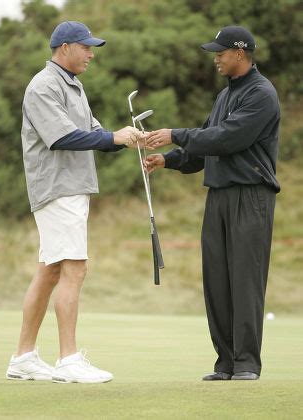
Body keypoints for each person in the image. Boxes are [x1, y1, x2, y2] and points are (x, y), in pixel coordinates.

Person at [6, 21, 143, 384]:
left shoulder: (72, 86)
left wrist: (127, 138)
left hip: (70, 187)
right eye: (85, 47)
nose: (91, 54)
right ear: (64, 47)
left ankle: (23, 357)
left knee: (50, 269)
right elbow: (62, 136)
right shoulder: (44, 85)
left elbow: (95, 135)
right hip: (58, 188)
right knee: (74, 268)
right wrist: (110, 136)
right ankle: (68, 360)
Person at [145, 26, 280, 381]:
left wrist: (176, 134)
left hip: (251, 197)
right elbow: (205, 147)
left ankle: (247, 363)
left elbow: (227, 138)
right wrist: (170, 159)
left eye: (220, 52)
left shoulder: (261, 94)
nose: (216, 58)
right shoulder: (224, 97)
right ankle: (226, 362)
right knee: (217, 280)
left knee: (245, 280)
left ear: (240, 53)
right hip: (218, 196)